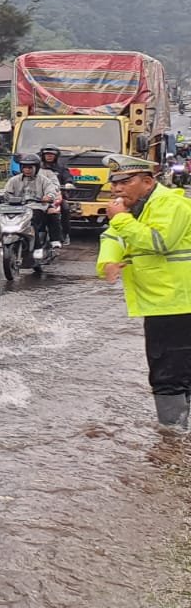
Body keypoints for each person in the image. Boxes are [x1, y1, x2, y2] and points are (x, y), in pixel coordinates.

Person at [96, 159, 191, 430]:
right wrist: (108, 262)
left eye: (126, 182)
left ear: (148, 182)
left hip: (177, 302)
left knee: (168, 373)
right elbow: (113, 237)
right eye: (114, 183)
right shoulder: (136, 208)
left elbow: (158, 242)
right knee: (176, 369)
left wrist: (121, 219)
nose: (117, 189)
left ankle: (172, 436)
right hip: (163, 302)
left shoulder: (171, 205)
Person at [0, 153, 62, 252]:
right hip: (16, 208)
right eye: (24, 167)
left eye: (30, 168)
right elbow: (6, 192)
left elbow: (51, 191)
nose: (27, 170)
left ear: (36, 168)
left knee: (33, 220)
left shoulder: (44, 180)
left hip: (37, 207)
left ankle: (38, 247)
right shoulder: (14, 180)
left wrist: (48, 197)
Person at [37, 145, 74, 245]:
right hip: (38, 196)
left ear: (56, 156)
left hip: (57, 196)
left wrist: (68, 183)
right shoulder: (37, 168)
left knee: (65, 209)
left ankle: (65, 234)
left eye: (51, 155)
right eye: (47, 154)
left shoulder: (61, 168)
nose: (49, 156)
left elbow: (68, 177)